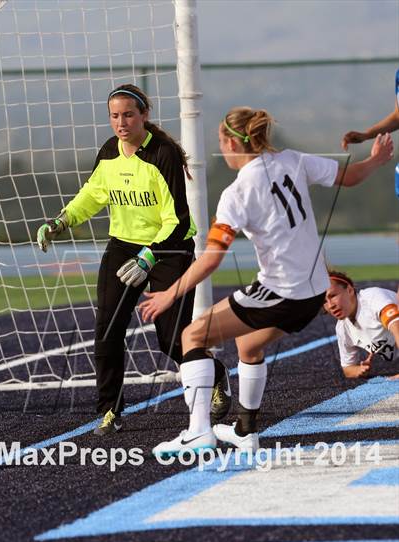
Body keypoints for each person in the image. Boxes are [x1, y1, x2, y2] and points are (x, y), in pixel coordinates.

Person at [139, 106, 394, 455]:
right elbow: (349, 177)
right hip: (315, 292)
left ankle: (198, 431)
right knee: (248, 346)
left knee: (192, 334)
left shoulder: (237, 192)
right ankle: (246, 431)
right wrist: (377, 160)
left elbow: (212, 257)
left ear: (231, 142)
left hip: (281, 291)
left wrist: (170, 292)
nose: (221, 147)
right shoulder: (293, 160)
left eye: (220, 141)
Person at [36, 84, 230, 436]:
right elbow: (92, 195)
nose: (121, 122)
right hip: (123, 247)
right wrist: (61, 221)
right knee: (107, 330)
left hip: (169, 248)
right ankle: (110, 411)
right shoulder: (110, 151)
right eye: (114, 116)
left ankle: (216, 375)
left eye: (128, 114)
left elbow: (179, 221)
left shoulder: (164, 153)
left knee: (172, 339)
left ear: (144, 115)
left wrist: (149, 256)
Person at [324, 270, 399, 379]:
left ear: (349, 290)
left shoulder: (372, 298)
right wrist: (359, 370)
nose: (330, 305)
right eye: (324, 302)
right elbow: (347, 369)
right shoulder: (342, 328)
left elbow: (396, 327)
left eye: (333, 296)